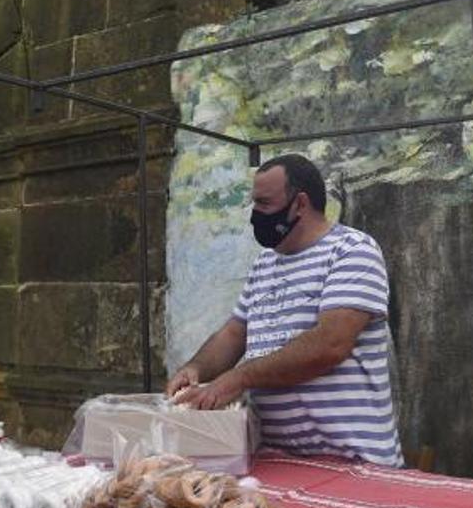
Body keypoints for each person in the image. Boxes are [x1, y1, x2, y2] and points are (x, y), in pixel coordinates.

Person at [168, 154, 403, 467]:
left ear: (300, 204)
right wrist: (195, 369)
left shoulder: (352, 251)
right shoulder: (264, 264)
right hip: (277, 460)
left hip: (351, 461)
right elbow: (234, 332)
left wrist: (238, 378)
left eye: (264, 203)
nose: (255, 214)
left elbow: (330, 344)